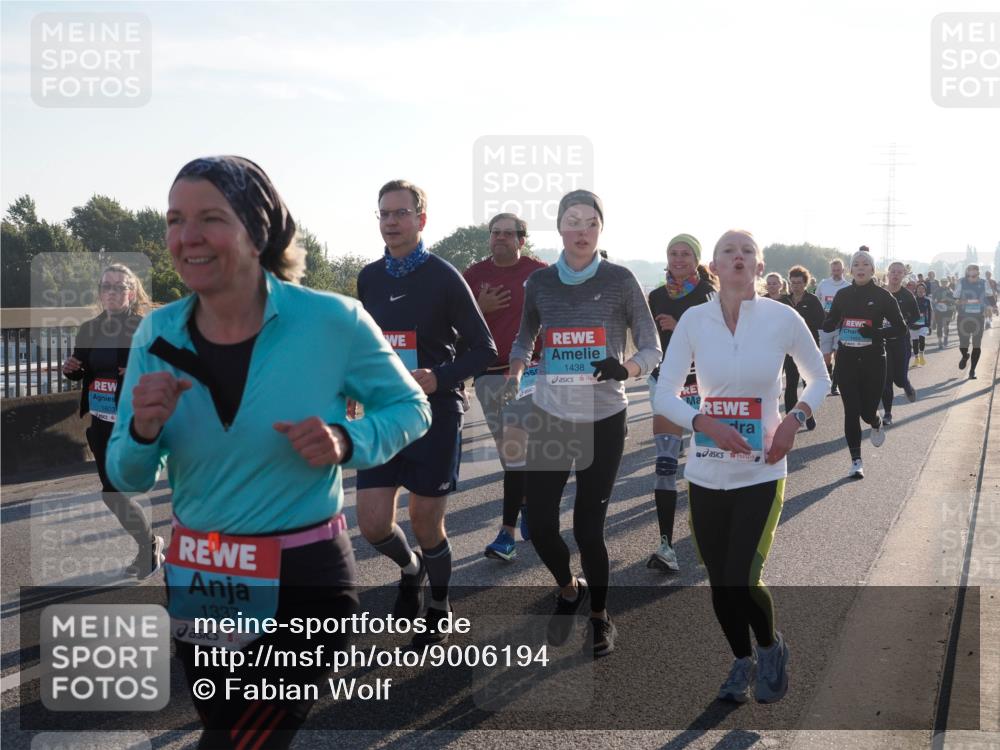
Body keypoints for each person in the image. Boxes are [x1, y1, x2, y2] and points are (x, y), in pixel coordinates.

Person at [107, 155, 431, 749]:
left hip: (302, 577)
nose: (187, 237)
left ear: (258, 230)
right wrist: (145, 430)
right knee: (230, 733)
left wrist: (347, 441)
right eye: (175, 220)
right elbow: (125, 473)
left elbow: (412, 409)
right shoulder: (157, 334)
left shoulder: (331, 320)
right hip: (201, 575)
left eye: (209, 218)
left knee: (243, 743)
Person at [654, 229, 830, 705]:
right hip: (707, 468)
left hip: (763, 466)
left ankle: (771, 648)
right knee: (718, 579)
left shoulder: (782, 317)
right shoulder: (694, 320)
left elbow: (819, 377)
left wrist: (795, 419)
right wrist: (701, 420)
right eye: (728, 251)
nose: (738, 257)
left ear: (759, 264)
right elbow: (663, 391)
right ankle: (741, 659)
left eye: (747, 251)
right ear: (713, 265)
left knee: (742, 575)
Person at [506, 190, 660, 656]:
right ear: (559, 228)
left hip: (603, 419)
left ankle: (599, 615)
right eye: (572, 222)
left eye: (590, 222)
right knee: (542, 525)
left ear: (600, 229)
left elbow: (653, 349)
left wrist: (626, 368)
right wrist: (514, 371)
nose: (581, 230)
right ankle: (568, 588)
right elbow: (524, 339)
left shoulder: (621, 279)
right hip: (551, 417)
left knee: (589, 530)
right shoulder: (540, 283)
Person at [356, 180, 497, 646]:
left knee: (424, 521)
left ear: (421, 219)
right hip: (383, 414)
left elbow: (484, 349)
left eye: (400, 213)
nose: (391, 222)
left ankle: (439, 601)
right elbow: (367, 348)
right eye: (384, 214)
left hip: (435, 411)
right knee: (373, 523)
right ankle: (410, 569)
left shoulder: (443, 276)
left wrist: (440, 375)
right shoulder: (369, 278)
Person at [63, 263, 162, 579]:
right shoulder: (90, 328)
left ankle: (150, 547)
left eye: (120, 286)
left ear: (131, 292)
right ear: (100, 292)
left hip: (133, 420)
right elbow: (81, 369)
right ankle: (149, 544)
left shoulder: (143, 327)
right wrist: (72, 369)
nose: (112, 292)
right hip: (102, 419)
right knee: (111, 493)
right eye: (107, 286)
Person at [463, 213, 546, 562]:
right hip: (488, 373)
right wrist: (480, 309)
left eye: (507, 234)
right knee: (510, 453)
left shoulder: (540, 273)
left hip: (530, 373)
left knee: (515, 451)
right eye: (494, 233)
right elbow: (457, 326)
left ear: (521, 240)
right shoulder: (473, 275)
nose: (499, 238)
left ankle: (506, 535)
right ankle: (526, 507)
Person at [645, 233, 716, 572]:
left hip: (706, 388)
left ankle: (716, 535)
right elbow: (649, 341)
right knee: (665, 465)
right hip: (668, 386)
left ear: (696, 258)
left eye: (685, 253)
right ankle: (666, 545)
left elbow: (724, 340)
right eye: (673, 253)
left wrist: (681, 325)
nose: (678, 259)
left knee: (710, 462)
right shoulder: (656, 295)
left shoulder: (710, 294)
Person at [822, 248, 905, 478]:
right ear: (851, 270)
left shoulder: (882, 296)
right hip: (847, 358)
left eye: (865, 264)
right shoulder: (843, 295)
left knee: (867, 412)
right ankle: (856, 461)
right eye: (856, 264)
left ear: (872, 269)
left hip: (874, 360)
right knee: (851, 410)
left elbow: (901, 328)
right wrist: (830, 324)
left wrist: (877, 332)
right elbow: (831, 320)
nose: (860, 267)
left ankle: (876, 421)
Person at [779, 266, 825, 430]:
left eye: (799, 283)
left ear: (805, 283)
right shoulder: (784, 301)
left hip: (808, 347)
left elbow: (822, 322)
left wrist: (802, 324)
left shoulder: (812, 300)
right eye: (793, 283)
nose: (795, 286)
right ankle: (791, 418)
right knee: (791, 383)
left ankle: (808, 414)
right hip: (789, 348)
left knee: (808, 383)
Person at [879, 261, 919, 426]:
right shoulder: (879, 293)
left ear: (903, 275)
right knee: (886, 380)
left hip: (901, 342)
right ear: (888, 274)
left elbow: (916, 316)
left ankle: (907, 385)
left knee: (899, 380)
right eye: (893, 271)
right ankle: (888, 413)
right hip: (883, 342)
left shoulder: (907, 296)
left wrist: (903, 324)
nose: (895, 275)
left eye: (899, 272)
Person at [815, 259, 852, 396]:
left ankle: (834, 386)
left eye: (838, 270)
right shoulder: (824, 284)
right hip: (825, 325)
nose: (836, 273)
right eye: (834, 270)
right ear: (831, 271)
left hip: (841, 325)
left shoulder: (848, 286)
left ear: (843, 270)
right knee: (826, 358)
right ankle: (829, 379)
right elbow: (816, 300)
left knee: (838, 355)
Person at [954, 264, 988, 379]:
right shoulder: (961, 282)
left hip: (978, 317)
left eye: (975, 273)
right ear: (967, 273)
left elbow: (989, 296)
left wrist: (994, 306)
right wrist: (963, 301)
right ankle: (964, 356)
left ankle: (972, 370)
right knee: (963, 343)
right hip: (963, 317)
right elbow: (955, 297)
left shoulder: (984, 282)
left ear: (978, 273)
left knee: (977, 344)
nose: (973, 276)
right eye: (970, 274)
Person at [932, 280, 956, 348]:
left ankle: (945, 337)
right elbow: (933, 299)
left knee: (946, 325)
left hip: (948, 310)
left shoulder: (950, 291)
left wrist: (947, 299)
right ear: (940, 283)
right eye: (942, 282)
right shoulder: (937, 290)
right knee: (939, 325)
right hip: (939, 309)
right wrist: (935, 303)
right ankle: (940, 341)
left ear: (947, 283)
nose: (944, 283)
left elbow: (954, 301)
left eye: (945, 282)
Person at [913, 282, 932, 366]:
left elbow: (930, 312)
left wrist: (930, 323)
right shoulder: (913, 299)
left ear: (925, 291)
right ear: (916, 290)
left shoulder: (927, 300)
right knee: (915, 342)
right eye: (919, 289)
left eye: (922, 289)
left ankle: (922, 355)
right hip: (913, 324)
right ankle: (916, 359)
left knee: (922, 338)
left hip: (924, 324)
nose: (921, 290)